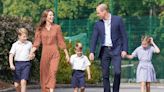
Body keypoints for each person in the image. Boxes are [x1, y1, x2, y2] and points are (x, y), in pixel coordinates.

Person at [89, 3, 128, 92]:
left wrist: (124, 50)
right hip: (104, 51)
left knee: (117, 72)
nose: (97, 15)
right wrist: (92, 51)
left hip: (116, 50)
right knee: (105, 74)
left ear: (104, 11)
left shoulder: (118, 20)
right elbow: (94, 38)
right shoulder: (98, 24)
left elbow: (124, 36)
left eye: (98, 13)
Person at [29, 9, 69, 92]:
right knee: (44, 74)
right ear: (45, 17)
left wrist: (66, 54)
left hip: (55, 52)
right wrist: (31, 52)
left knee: (53, 72)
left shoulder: (57, 27)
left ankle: (51, 90)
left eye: (53, 15)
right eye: (50, 15)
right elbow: (36, 43)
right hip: (45, 53)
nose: (52, 17)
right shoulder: (40, 29)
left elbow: (61, 41)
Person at [9, 28, 33, 92]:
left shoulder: (29, 44)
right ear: (19, 36)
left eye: (26, 36)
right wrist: (11, 64)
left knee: (23, 81)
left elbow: (32, 54)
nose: (25, 38)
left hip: (26, 64)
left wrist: (32, 56)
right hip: (17, 64)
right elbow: (11, 55)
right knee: (16, 85)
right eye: (23, 36)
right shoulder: (15, 45)